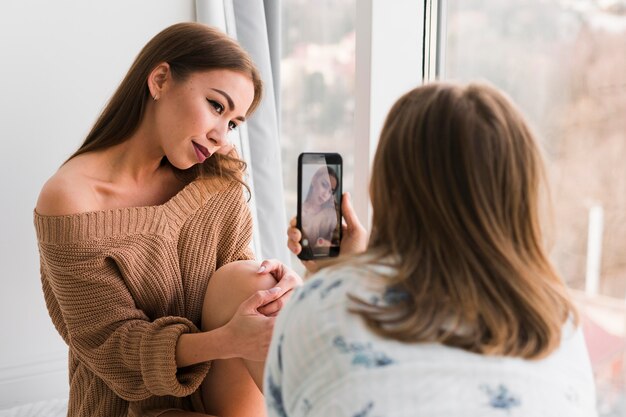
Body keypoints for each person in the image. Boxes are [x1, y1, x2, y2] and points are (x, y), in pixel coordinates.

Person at [274, 82, 598, 416]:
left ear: (387, 188)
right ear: (521, 194)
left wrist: (337, 282)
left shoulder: (318, 306)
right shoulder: (559, 323)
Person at [34, 22, 302, 417]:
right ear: (160, 79)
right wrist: (228, 341)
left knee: (257, 282)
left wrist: (278, 288)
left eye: (232, 123)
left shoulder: (216, 173)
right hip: (131, 404)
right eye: (216, 106)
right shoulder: (71, 198)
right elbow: (112, 348)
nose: (221, 137)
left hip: (218, 387)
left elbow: (234, 283)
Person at [300, 165, 340, 255]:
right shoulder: (300, 210)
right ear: (314, 180)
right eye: (324, 185)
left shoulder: (331, 215)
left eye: (331, 192)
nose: (326, 194)